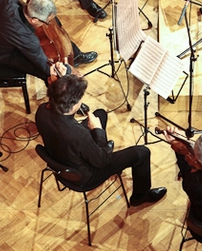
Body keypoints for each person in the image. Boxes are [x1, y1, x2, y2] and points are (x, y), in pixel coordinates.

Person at [35, 74, 167, 207]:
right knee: (142, 153)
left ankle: (105, 149)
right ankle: (140, 196)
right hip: (85, 176)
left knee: (100, 114)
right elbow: (102, 161)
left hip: (60, 155)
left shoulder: (41, 110)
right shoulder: (79, 135)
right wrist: (98, 131)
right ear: (73, 105)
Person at [0, 0, 98, 86]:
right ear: (34, 20)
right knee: (48, 75)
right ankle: (54, 94)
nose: (48, 23)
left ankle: (76, 55)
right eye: (47, 21)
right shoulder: (28, 39)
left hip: (3, 31)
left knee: (55, 31)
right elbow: (47, 68)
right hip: (5, 54)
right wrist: (69, 70)